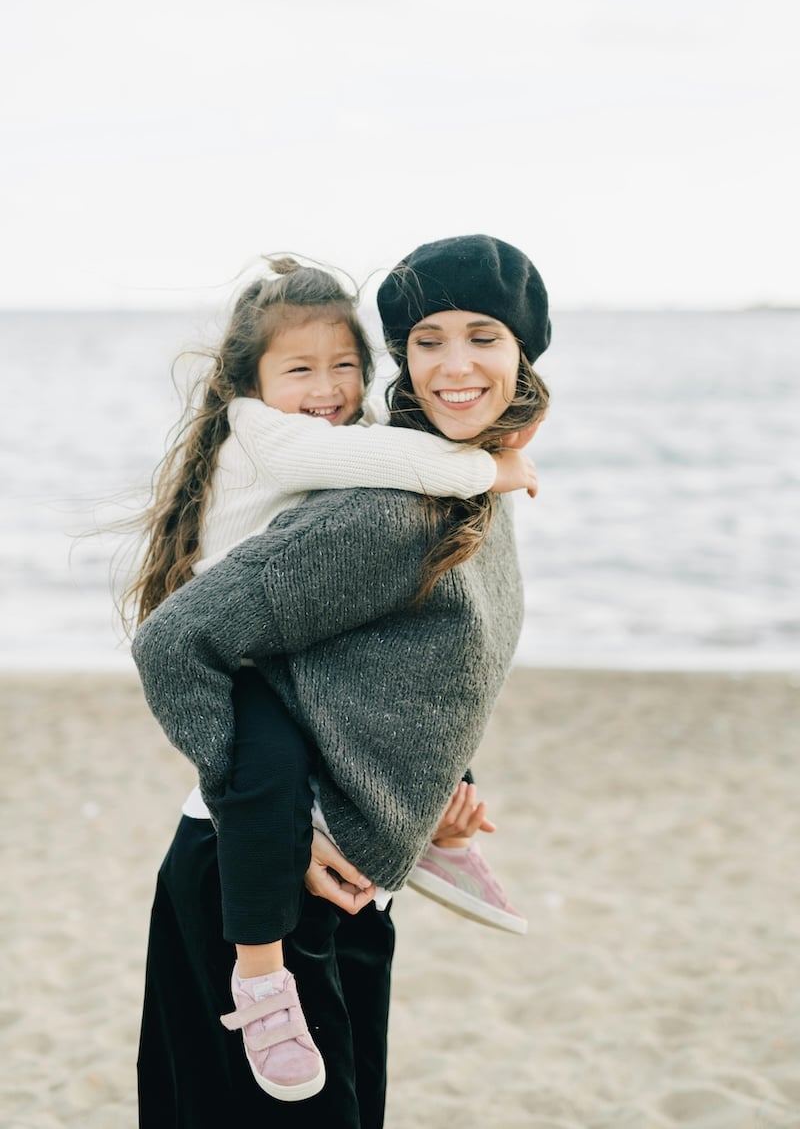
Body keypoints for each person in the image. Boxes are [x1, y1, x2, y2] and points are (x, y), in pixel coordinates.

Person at [132, 233, 552, 1127]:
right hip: (273, 882)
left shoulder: (457, 483)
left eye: (483, 335)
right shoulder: (394, 501)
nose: (456, 364)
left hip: (345, 876)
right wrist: (271, 823)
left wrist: (443, 780)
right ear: (406, 356)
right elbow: (176, 644)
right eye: (429, 341)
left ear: (525, 349)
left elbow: (379, 658)